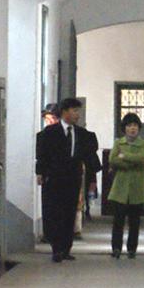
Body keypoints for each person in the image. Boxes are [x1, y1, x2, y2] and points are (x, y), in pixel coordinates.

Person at [35, 98, 98, 263]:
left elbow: (89, 158)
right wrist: (40, 173)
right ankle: (56, 248)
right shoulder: (49, 133)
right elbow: (41, 155)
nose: (77, 114)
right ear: (64, 112)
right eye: (74, 111)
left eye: (78, 111)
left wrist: (92, 179)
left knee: (69, 213)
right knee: (54, 212)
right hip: (53, 178)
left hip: (73, 178)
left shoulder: (83, 135)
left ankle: (66, 247)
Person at [108, 113, 144, 259]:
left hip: (137, 188)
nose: (132, 129)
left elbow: (143, 158)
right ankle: (116, 248)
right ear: (124, 128)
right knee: (118, 221)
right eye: (129, 126)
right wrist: (131, 161)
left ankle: (132, 248)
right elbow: (113, 160)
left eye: (135, 126)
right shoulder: (119, 143)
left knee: (134, 221)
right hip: (120, 187)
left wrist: (124, 156)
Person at [37, 103, 60, 244]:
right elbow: (40, 156)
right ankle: (49, 233)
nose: (49, 121)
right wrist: (40, 172)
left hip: (63, 176)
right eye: (46, 118)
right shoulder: (42, 136)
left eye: (52, 118)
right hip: (48, 176)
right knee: (48, 205)